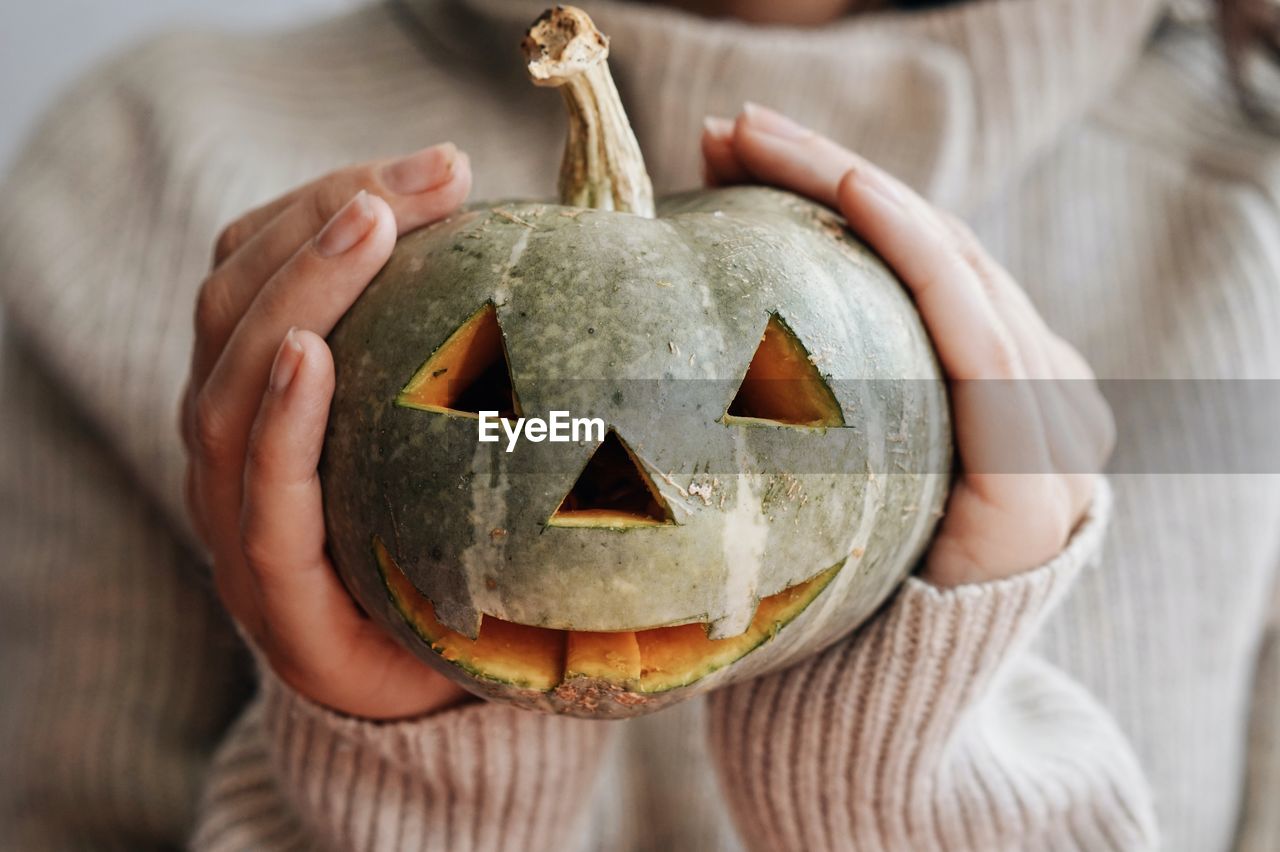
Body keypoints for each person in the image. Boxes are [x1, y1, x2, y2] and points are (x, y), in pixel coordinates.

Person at [0, 0, 1276, 849]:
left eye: (758, 401)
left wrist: (916, 760)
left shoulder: (1251, 215)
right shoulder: (143, 174)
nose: (619, 491)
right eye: (478, 388)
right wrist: (409, 783)